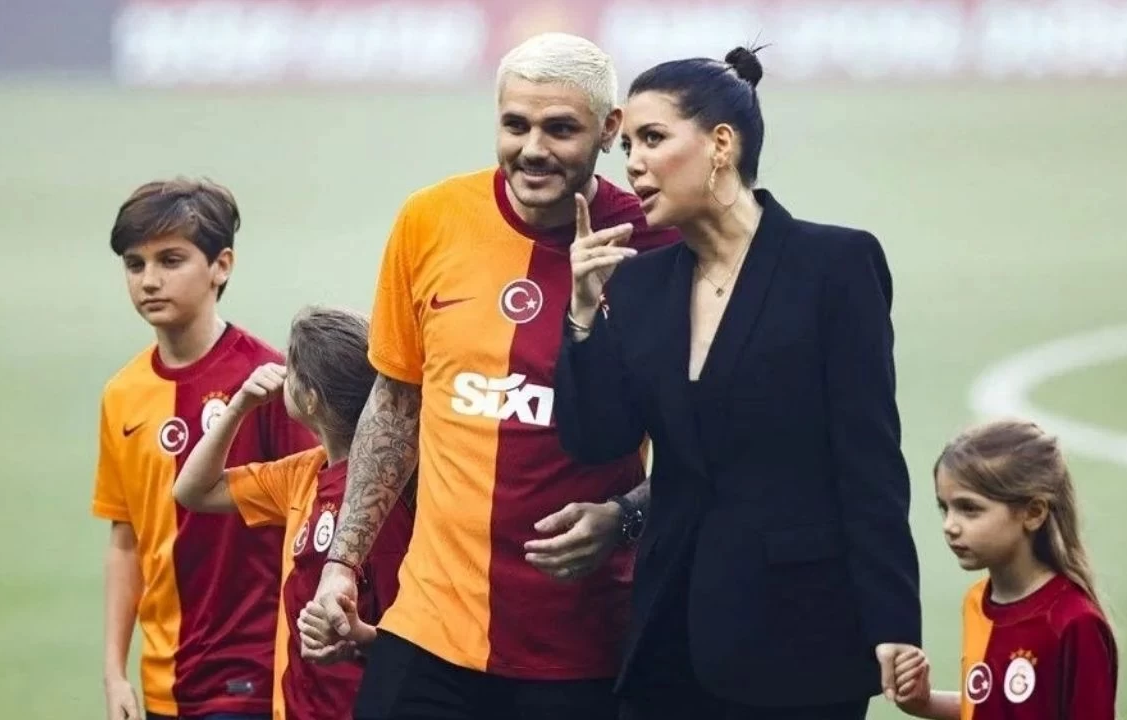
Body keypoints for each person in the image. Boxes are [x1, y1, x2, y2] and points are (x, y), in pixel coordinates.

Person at [299, 32, 678, 720]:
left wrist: (623, 519)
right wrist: (341, 567)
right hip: (429, 628)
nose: (533, 148)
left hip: (582, 644)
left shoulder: (660, 247)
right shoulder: (430, 220)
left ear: (609, 129)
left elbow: (708, 445)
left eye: (560, 128)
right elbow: (396, 401)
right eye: (515, 124)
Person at [555, 46, 922, 719]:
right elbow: (597, 438)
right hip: (668, 640)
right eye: (628, 145)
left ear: (721, 144)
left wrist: (894, 621)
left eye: (653, 138)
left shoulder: (835, 265)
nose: (632, 162)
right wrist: (581, 316)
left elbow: (869, 459)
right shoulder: (638, 284)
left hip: (803, 643)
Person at [91, 177, 318, 720]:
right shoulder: (122, 394)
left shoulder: (268, 383)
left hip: (252, 674)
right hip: (164, 680)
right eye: (135, 264)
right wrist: (115, 672)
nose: (149, 280)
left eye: (171, 260)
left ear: (221, 266)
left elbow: (316, 515)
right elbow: (126, 541)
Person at [173, 306, 416, 720]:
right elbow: (194, 491)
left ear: (309, 398)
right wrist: (238, 407)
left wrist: (359, 640)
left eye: (292, 369)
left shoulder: (389, 492)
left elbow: (410, 629)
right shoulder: (303, 473)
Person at [890, 419, 1118, 719]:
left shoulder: (1073, 621)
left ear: (1033, 513)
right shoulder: (976, 602)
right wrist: (925, 704)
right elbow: (994, 706)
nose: (950, 526)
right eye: (945, 508)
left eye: (969, 508)